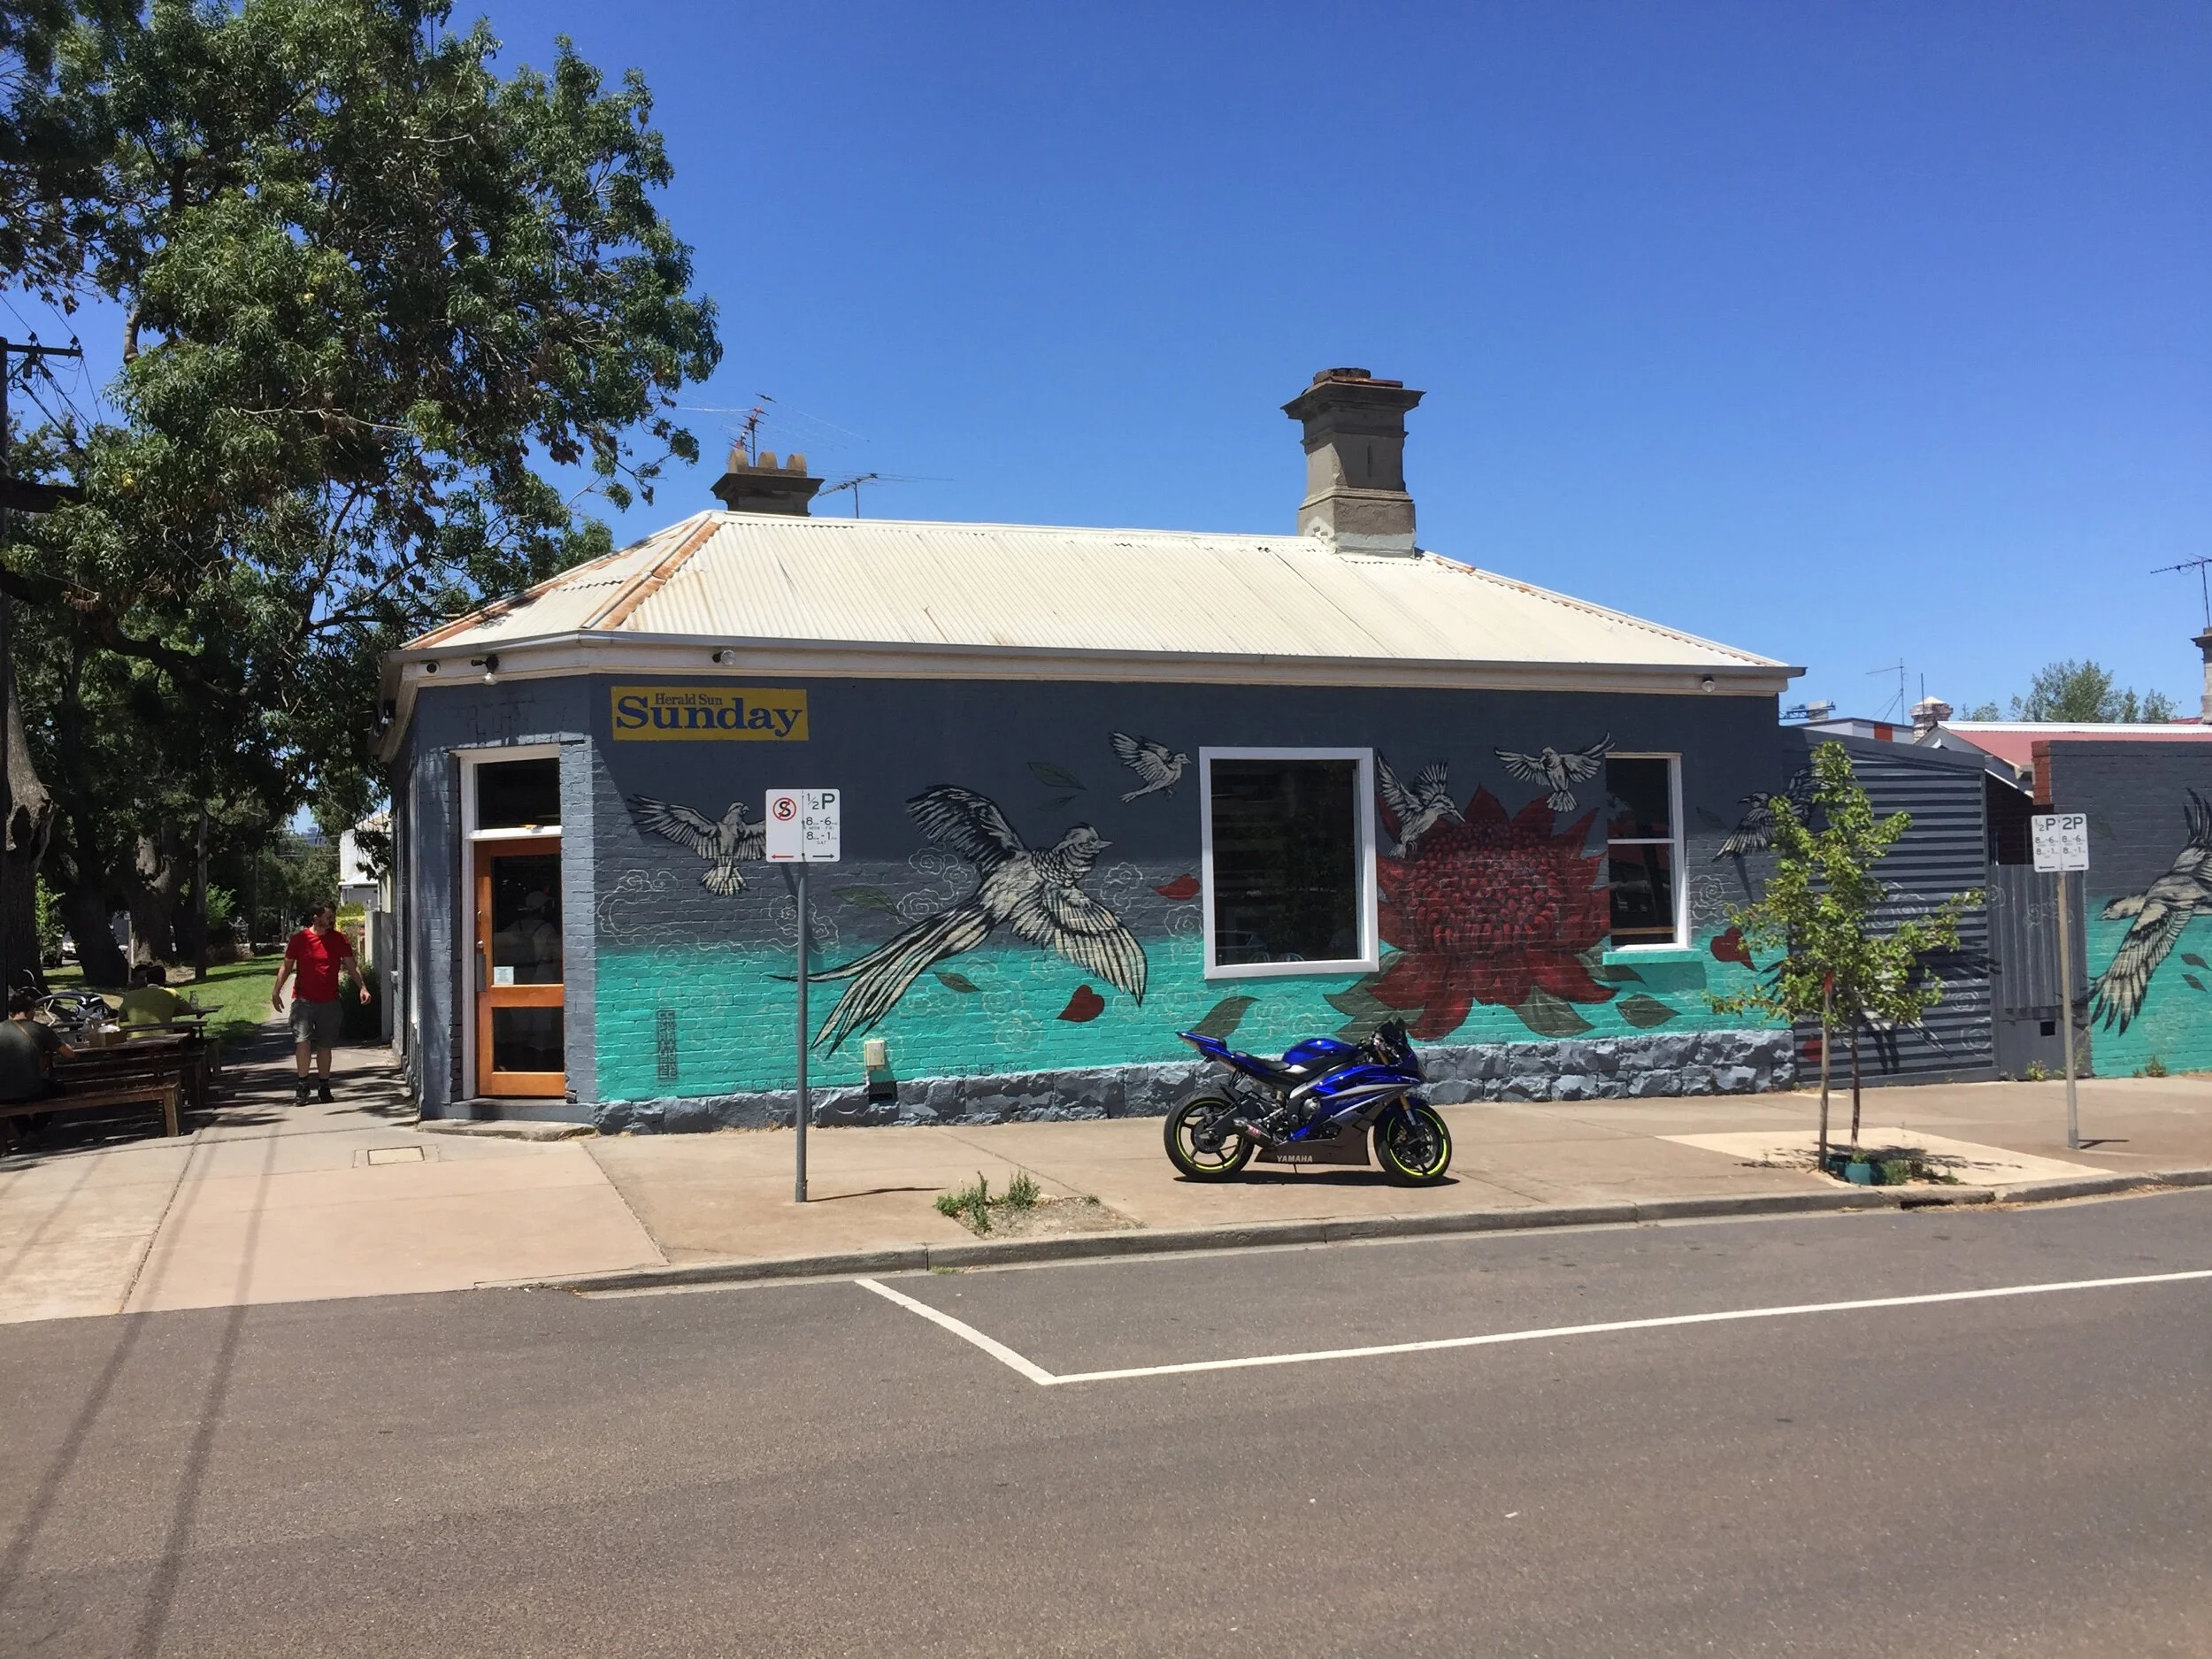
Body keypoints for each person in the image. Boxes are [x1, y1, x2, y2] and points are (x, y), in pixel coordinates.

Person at [271, 902, 368, 1104]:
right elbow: (286, 967)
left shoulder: (339, 939)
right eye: (328, 916)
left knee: (325, 1046)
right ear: (315, 917)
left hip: (329, 1001)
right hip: (303, 1001)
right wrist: (276, 991)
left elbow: (351, 966)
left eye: (333, 916)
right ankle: (302, 1086)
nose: (332, 920)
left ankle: (324, 1086)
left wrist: (363, 987)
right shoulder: (300, 940)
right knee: (302, 1042)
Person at [0, 989, 75, 1141]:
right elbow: (69, 1054)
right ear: (30, 1011)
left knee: (11, 1098)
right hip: (31, 1090)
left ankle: (26, 1132)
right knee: (58, 1089)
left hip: (2, 1093)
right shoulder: (39, 1029)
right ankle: (33, 1129)